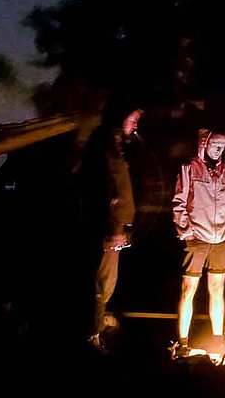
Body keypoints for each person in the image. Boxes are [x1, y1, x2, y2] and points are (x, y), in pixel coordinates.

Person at [85, 102, 145, 353]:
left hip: (117, 228)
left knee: (108, 282)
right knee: (102, 284)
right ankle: (91, 334)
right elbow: (105, 190)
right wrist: (114, 228)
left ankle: (95, 327)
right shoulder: (107, 150)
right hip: (110, 230)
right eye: (132, 120)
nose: (135, 126)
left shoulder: (118, 149)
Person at [172, 128, 225, 357]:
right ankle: (182, 341)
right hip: (197, 238)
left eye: (223, 145)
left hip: (220, 240)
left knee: (217, 290)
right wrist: (187, 232)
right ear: (205, 144)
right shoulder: (190, 168)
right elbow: (179, 201)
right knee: (188, 289)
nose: (219, 149)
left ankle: (218, 339)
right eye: (215, 144)